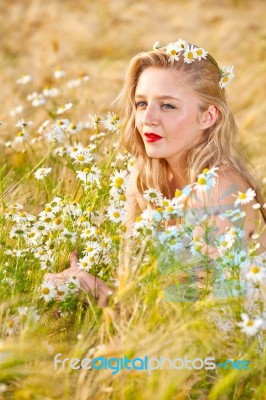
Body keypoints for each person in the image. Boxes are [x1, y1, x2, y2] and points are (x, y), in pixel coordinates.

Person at [44, 39, 266, 307]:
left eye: (167, 106)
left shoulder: (219, 192)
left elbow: (196, 319)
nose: (147, 118)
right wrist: (80, 283)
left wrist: (96, 290)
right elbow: (132, 293)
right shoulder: (145, 176)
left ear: (209, 116)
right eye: (141, 104)